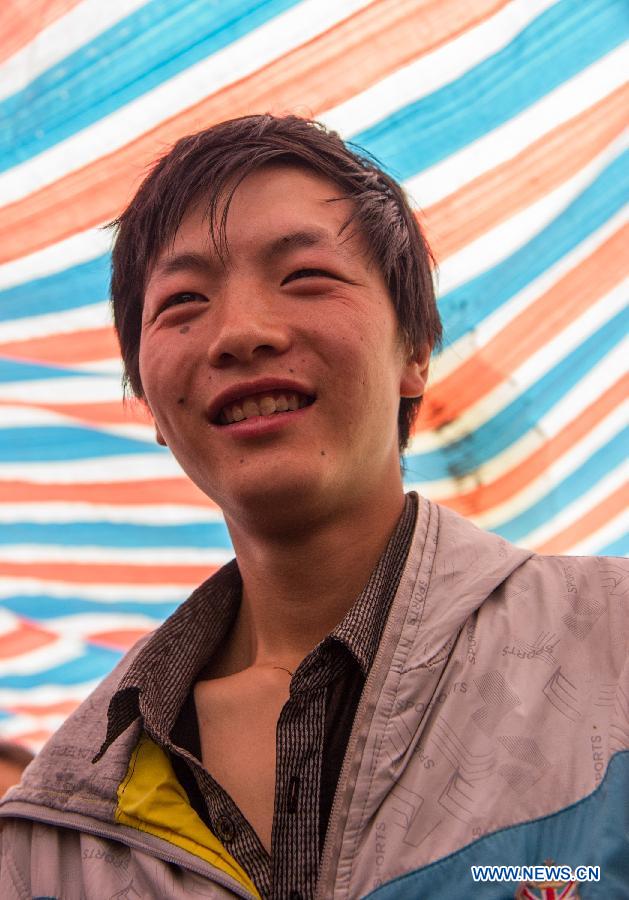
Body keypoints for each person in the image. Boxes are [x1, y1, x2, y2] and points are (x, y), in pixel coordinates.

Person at [0, 115, 626, 899]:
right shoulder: (49, 836)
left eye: (305, 278)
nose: (240, 333)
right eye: (182, 301)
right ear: (151, 408)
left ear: (414, 352)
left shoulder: (612, 643)